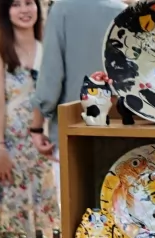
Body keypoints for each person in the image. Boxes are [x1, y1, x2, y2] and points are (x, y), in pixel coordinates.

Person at [0, 0, 58, 238]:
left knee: (47, 219)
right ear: (6, 12)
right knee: (12, 222)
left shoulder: (48, 50)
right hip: (11, 146)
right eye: (16, 5)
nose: (24, 10)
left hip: (45, 146)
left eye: (29, 3)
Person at [27, 0, 124, 161]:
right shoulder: (122, 11)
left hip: (72, 127)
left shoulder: (61, 10)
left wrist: (36, 127)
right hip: (118, 126)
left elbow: (51, 76)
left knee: (72, 175)